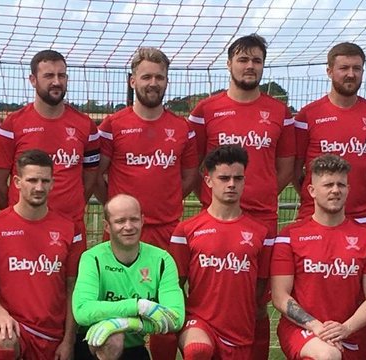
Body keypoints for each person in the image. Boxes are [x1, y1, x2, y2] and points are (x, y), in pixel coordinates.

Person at [187, 34, 294, 358]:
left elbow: (287, 167)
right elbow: (196, 168)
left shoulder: (279, 111)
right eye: (243, 59)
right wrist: (219, 201)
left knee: (259, 303)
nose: (250, 66)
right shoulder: (205, 110)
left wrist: (256, 196)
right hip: (217, 222)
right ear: (229, 62)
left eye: (256, 60)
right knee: (212, 300)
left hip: (263, 220)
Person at [271, 154, 366, 360]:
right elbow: (280, 296)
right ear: (312, 191)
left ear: (348, 190)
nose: (335, 190)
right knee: (327, 356)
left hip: (353, 331)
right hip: (303, 328)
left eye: (341, 185)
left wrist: (345, 328)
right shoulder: (289, 237)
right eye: (328, 184)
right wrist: (316, 326)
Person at [167, 144, 273, 359]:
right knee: (198, 350)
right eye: (224, 178)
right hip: (200, 321)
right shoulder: (186, 230)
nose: (232, 184)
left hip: (240, 330)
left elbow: (261, 288)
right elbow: (175, 285)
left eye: (238, 178)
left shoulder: (262, 233)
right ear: (208, 181)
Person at [0, 149, 84, 360]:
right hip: (13, 325)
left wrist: (69, 341)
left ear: (53, 183)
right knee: (3, 338)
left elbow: (73, 287)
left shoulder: (71, 228)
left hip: (53, 332)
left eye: (45, 181)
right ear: (17, 182)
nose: (39, 187)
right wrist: (0, 314)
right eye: (32, 180)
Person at [96, 46, 199, 247]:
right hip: (123, 229)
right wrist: (114, 206)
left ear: (167, 82)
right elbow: (96, 175)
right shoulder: (112, 125)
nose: (153, 83)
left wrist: (167, 203)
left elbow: (189, 177)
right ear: (132, 81)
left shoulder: (183, 128)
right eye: (146, 77)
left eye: (159, 78)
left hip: (167, 229)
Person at [0, 50, 100, 230]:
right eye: (48, 75)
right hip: (24, 227)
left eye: (61, 75)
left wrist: (71, 208)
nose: (56, 82)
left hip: (70, 227)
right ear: (33, 80)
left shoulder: (86, 126)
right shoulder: (11, 126)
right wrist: (18, 213)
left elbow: (90, 177)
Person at [71, 194, 185, 360]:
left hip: (134, 346)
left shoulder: (162, 260)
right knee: (114, 338)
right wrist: (138, 306)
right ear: (107, 226)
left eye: (134, 219)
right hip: (92, 347)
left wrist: (127, 323)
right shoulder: (92, 258)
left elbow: (176, 318)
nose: (129, 226)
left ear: (143, 220)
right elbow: (82, 311)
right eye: (120, 221)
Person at [293, 42, 366, 228]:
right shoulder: (308, 115)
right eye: (344, 68)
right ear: (329, 71)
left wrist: (363, 191)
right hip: (314, 215)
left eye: (357, 68)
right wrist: (313, 194)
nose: (351, 74)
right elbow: (295, 169)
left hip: (362, 216)